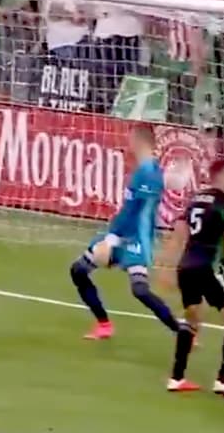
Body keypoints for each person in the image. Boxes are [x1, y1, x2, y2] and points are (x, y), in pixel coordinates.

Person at [70, 126, 180, 340]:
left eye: (131, 140)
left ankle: (182, 331)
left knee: (140, 291)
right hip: (119, 235)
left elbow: (134, 212)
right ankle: (104, 324)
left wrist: (111, 240)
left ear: (139, 142)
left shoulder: (149, 173)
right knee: (78, 271)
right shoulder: (146, 170)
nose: (129, 144)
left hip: (136, 240)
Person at [164, 159, 224, 398]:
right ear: (222, 175)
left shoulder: (196, 198)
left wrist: (167, 266)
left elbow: (180, 232)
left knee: (192, 320)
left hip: (186, 267)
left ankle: (176, 378)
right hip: (208, 268)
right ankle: (223, 381)